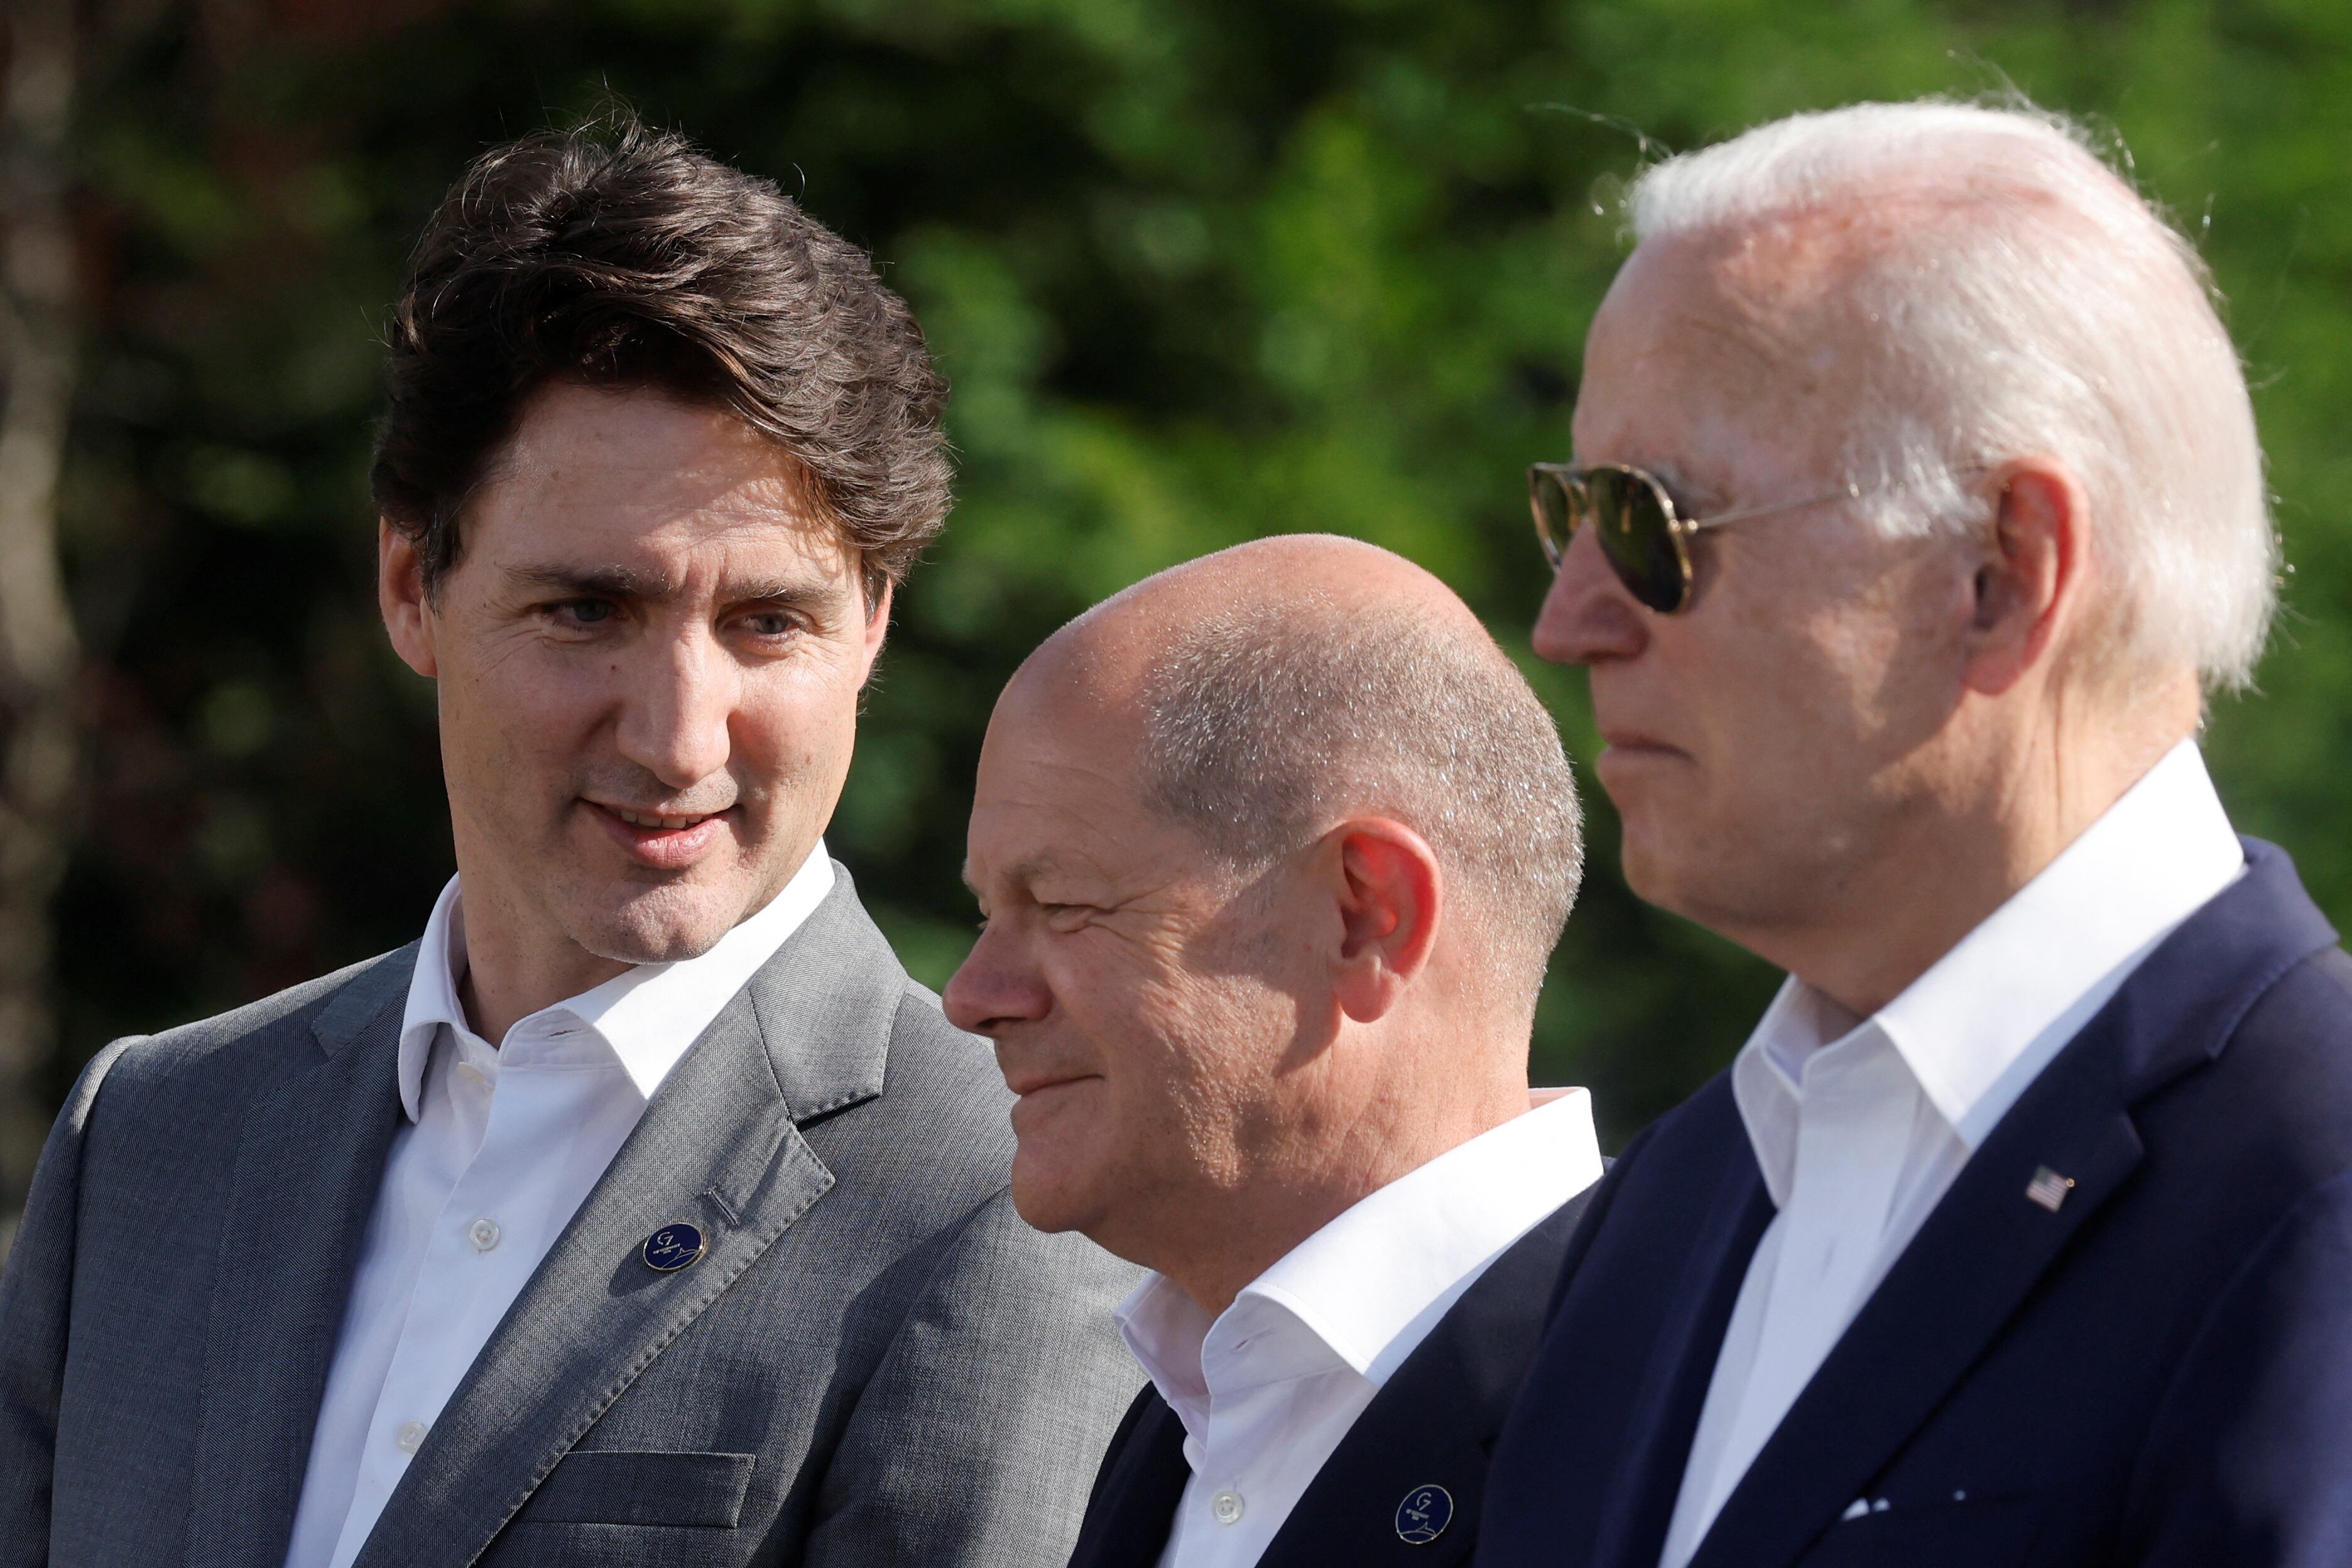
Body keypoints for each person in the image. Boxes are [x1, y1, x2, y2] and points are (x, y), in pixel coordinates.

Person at [0, 116, 1140, 1568]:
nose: (679, 736)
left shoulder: (1010, 1197)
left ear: (875, 631)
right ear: (413, 585)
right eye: (589, 611)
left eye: (765, 623)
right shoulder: (152, 1140)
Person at [1478, 101, 2352, 1568]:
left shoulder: (2313, 1200)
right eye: (1566, 510)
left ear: (2004, 575)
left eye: (1650, 521)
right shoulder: (1663, 1214)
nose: (1568, 623)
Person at [944, 534, 1604, 1568]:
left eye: (1063, 904)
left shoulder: (1673, 1402)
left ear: (1364, 917)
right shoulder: (1192, 1407)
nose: (972, 997)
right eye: (988, 912)